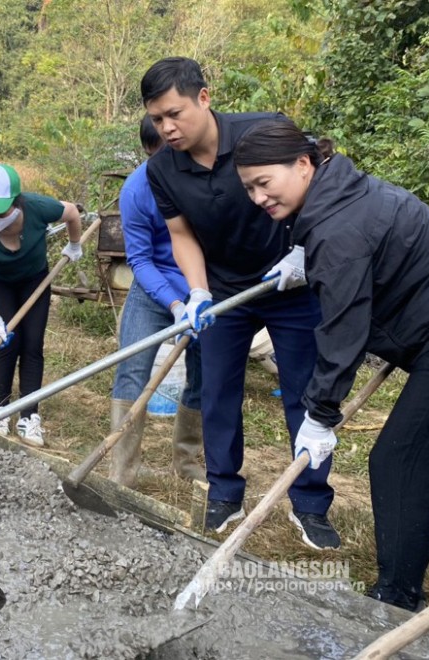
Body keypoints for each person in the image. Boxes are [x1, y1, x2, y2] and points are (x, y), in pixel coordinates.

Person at [233, 120, 429, 611]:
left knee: (400, 458)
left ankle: (397, 596)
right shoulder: (342, 194)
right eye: (249, 188)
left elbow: (343, 331)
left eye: (264, 183)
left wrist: (320, 413)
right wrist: (305, 254)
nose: (259, 197)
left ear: (303, 164)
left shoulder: (338, 228)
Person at [140, 56, 339, 549]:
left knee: (302, 393)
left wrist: (301, 251)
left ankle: (311, 504)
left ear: (204, 98)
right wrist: (198, 290)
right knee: (218, 394)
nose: (166, 127)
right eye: (156, 119)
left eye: (174, 113)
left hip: (290, 286)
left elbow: (320, 181)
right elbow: (180, 233)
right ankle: (225, 494)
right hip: (226, 292)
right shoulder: (162, 168)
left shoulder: (265, 132)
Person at [109, 115, 205, 488]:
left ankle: (187, 462)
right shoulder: (136, 190)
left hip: (204, 289)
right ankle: (122, 471)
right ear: (149, 152)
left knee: (203, 374)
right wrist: (174, 303)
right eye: (157, 155)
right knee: (131, 368)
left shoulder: (202, 180)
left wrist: (197, 297)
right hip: (152, 287)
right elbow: (141, 260)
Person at [0, 164, 83, 447]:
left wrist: (74, 244)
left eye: (1, 209)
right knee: (6, 343)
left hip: (34, 281)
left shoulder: (38, 208)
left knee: (32, 345)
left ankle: (29, 416)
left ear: (17, 202)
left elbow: (72, 213)